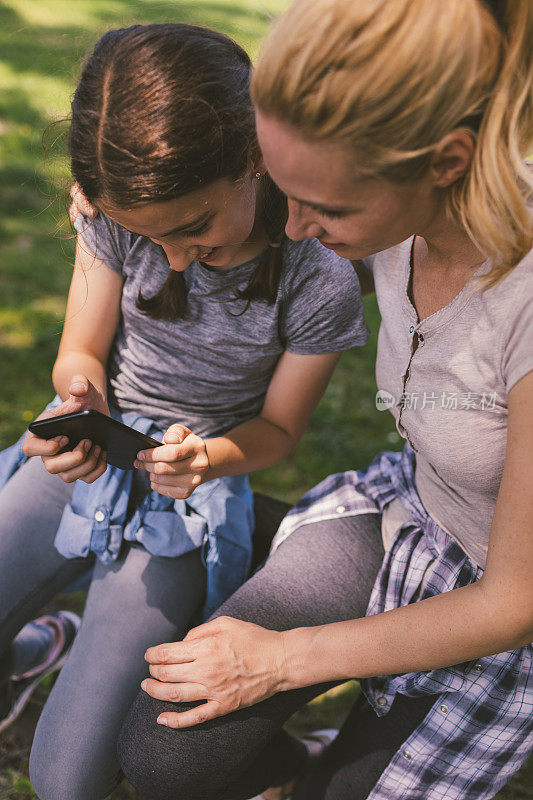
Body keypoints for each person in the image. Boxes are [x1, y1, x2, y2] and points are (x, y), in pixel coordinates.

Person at [116, 1, 533, 799]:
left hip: (501, 610)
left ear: (447, 161)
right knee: (171, 751)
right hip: (409, 511)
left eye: (328, 209)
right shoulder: (388, 206)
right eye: (283, 189)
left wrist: (276, 661)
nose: (296, 229)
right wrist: (115, 190)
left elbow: (513, 603)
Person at [0, 22, 369, 800]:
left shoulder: (317, 277)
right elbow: (80, 351)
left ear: (252, 158)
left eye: (193, 229)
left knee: (65, 781)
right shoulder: (114, 217)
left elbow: (276, 432)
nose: (169, 257)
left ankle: (268, 764)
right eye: (148, 237)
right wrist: (78, 396)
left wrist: (207, 460)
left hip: (190, 495)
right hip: (94, 459)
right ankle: (36, 649)